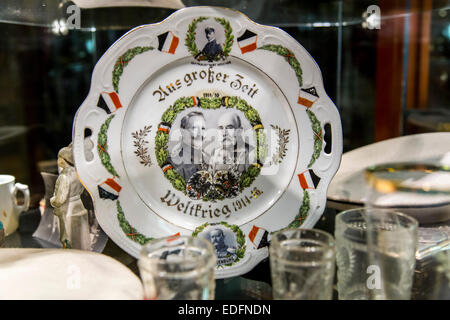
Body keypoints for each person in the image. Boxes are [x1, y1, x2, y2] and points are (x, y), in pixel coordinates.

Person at [50, 143, 90, 250]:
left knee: (67, 235)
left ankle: (70, 254)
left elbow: (60, 198)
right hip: (79, 205)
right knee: (81, 233)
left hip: (67, 208)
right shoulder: (78, 174)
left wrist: (53, 200)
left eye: (60, 158)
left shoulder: (64, 177)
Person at [170, 111, 208, 181]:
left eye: (203, 128)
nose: (200, 133)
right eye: (194, 128)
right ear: (183, 132)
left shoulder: (209, 159)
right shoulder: (173, 164)